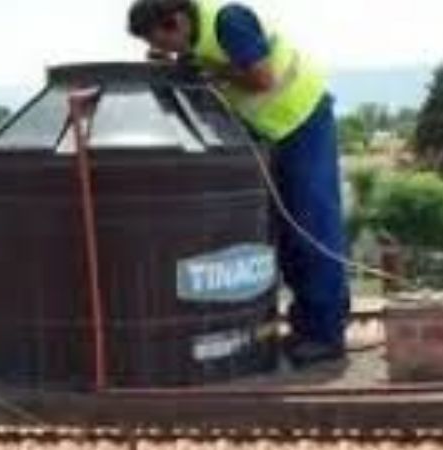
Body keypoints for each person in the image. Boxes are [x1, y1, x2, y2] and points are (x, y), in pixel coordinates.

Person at [127, 0, 350, 366]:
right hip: (274, 131)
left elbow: (262, 79)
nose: (168, 51)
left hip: (304, 120)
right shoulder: (196, 42)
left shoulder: (230, 20)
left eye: (166, 42)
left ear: (178, 21)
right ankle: (307, 327)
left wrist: (204, 68)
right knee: (286, 233)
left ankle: (326, 335)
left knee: (312, 228)